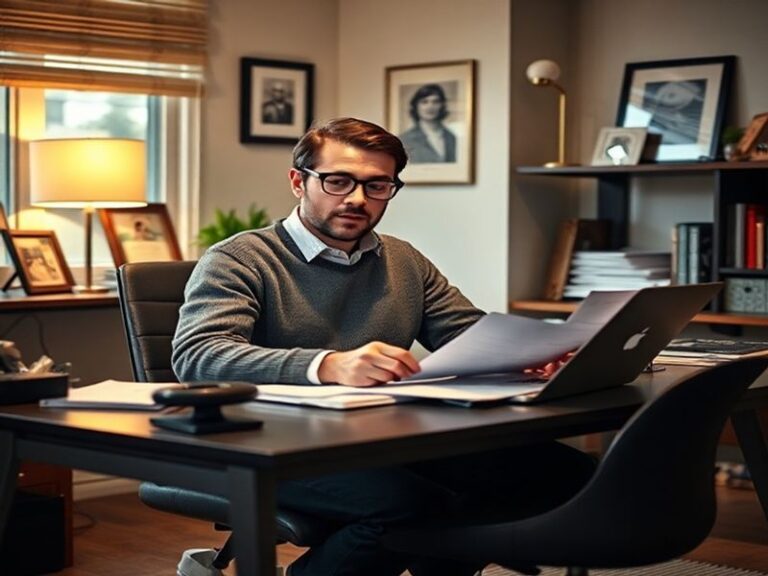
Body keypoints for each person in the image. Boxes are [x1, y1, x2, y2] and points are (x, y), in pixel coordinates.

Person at [172, 117, 595, 576]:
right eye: (338, 181)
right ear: (299, 182)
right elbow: (199, 355)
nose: (357, 199)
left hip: (381, 437)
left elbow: (468, 333)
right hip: (272, 443)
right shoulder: (241, 258)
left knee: (562, 473)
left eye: (377, 186)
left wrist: (535, 351)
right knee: (409, 506)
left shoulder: (402, 259)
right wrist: (328, 364)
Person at [399, 83, 457, 163]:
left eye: (435, 102)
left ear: (442, 106)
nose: (430, 106)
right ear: (416, 106)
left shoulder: (452, 138)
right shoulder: (404, 140)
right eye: (424, 102)